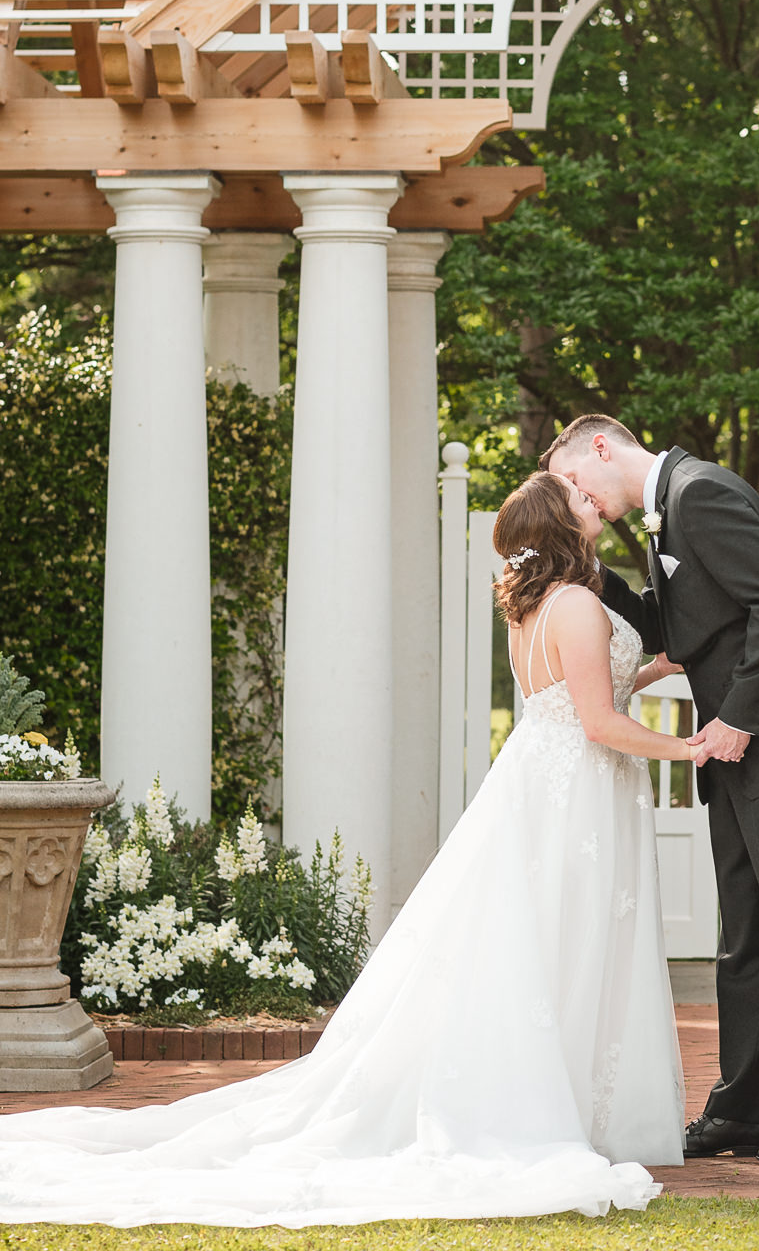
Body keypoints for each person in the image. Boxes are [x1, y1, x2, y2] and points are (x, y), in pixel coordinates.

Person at [0, 472, 698, 1227]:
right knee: (567, 940)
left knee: (543, 942)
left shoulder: (540, 605)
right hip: (577, 793)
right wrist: (689, 746)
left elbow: (591, 688)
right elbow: (597, 720)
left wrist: (660, 668)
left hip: (549, 784)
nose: (588, 502)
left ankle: (555, 1098)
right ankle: (546, 1108)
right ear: (561, 525)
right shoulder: (581, 605)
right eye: (576, 499)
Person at [543, 415, 759, 1167]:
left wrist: (738, 717)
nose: (585, 502)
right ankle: (744, 1110)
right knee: (747, 935)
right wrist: (577, 564)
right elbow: (675, 630)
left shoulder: (700, 494)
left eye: (577, 485)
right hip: (737, 753)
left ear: (600, 448)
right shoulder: (670, 514)